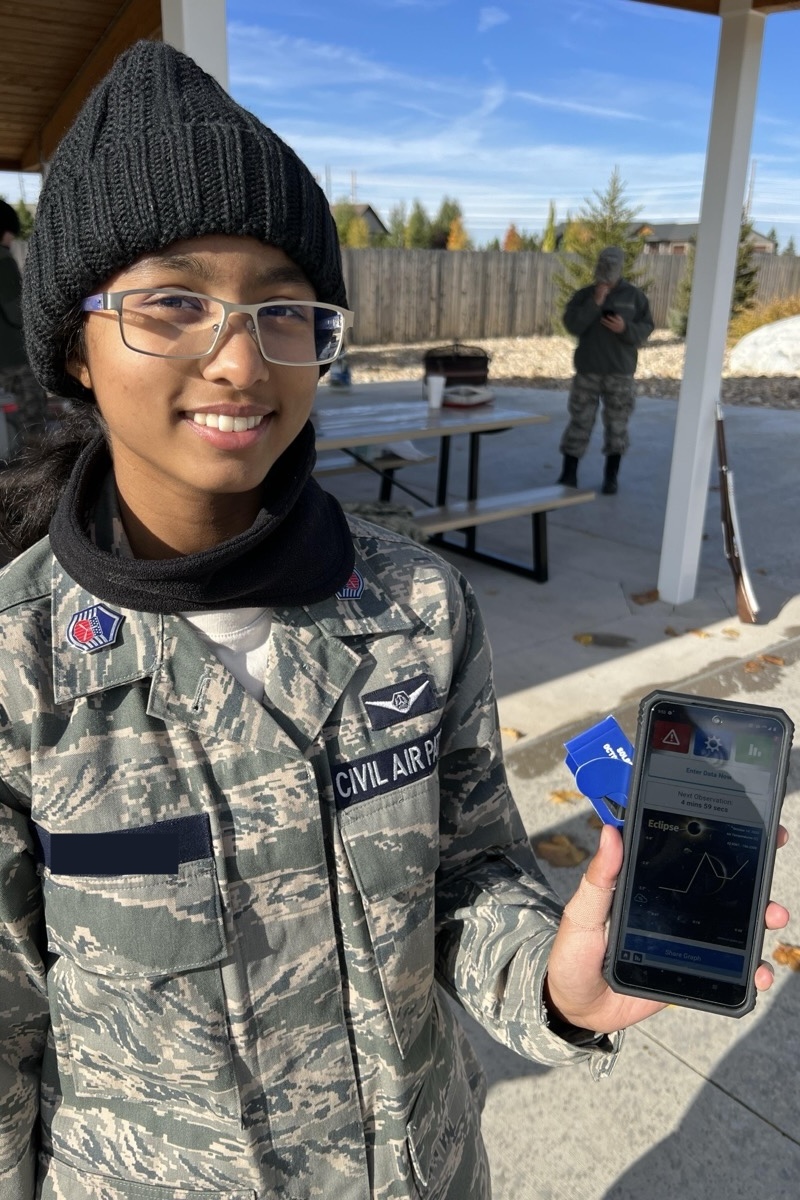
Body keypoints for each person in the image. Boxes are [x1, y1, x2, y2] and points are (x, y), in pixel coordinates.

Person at [0, 42, 787, 1200]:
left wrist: (563, 987)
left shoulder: (414, 604)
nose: (237, 359)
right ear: (75, 341)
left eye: (283, 309)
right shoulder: (19, 670)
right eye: (172, 301)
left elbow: (467, 879)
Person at [557, 245, 654, 495]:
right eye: (603, 265)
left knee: (617, 426)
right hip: (588, 371)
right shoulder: (583, 295)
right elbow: (573, 326)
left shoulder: (634, 297)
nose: (607, 271)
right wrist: (595, 302)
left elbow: (645, 330)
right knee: (579, 422)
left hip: (619, 373)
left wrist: (625, 329)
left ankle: (611, 478)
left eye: (612, 266)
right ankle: (569, 474)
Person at [0, 198, 49, 452]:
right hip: (13, 358)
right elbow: (16, 310)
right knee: (33, 420)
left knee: (7, 424)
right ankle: (38, 470)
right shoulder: (3, 261)